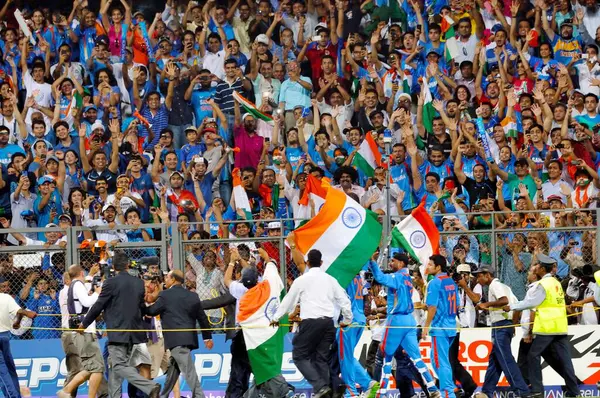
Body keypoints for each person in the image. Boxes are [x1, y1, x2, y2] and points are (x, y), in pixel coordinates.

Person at [270, 247, 352, 398]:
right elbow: (344, 300)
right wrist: (347, 320)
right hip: (328, 324)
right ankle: (327, 391)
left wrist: (276, 318)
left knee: (299, 356)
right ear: (321, 262)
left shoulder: (301, 280)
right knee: (320, 358)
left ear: (307, 263)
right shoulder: (330, 280)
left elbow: (288, 301)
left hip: (310, 323)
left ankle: (321, 387)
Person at [80, 251, 161, 398]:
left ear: (113, 266)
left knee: (117, 367)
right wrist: (151, 310)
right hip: (136, 333)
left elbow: (98, 305)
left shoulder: (110, 283)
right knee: (120, 370)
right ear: (128, 265)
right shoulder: (138, 282)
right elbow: (141, 307)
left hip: (118, 333)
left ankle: (149, 386)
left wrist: (84, 324)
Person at [504, 254, 579, 398]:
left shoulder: (542, 285)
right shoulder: (556, 282)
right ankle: (574, 391)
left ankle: (538, 391)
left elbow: (531, 303)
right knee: (565, 360)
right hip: (560, 326)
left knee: (533, 355)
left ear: (543, 269)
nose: (535, 267)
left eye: (538, 266)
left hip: (547, 326)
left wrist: (512, 306)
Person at [369, 253, 441, 398]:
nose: (390, 263)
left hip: (397, 320)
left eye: (393, 261)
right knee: (416, 357)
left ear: (401, 263)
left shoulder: (398, 277)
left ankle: (381, 393)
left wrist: (372, 262)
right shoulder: (408, 278)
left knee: (385, 356)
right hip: (409, 321)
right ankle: (432, 388)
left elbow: (380, 277)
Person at [145, 269, 213, 398]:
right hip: (188, 339)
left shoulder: (165, 295)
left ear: (173, 280)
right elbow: (202, 318)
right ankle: (164, 395)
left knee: (189, 372)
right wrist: (207, 337)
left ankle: (199, 396)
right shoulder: (193, 296)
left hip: (175, 342)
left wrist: (141, 306)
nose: (165, 280)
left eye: (167, 278)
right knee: (173, 370)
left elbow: (152, 311)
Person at [473, 265, 530, 398]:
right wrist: (513, 325)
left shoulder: (494, 285)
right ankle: (486, 392)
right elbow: (516, 306)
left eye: (480, 275)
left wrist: (486, 305)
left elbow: (504, 300)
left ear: (488, 275)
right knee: (495, 360)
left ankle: (521, 392)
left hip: (500, 326)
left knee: (505, 359)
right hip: (505, 325)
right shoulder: (505, 287)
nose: (477, 279)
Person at [57, 264, 107, 398]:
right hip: (84, 331)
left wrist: (91, 288)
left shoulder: (74, 286)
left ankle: (67, 390)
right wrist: (97, 293)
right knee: (96, 368)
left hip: (81, 331)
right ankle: (67, 390)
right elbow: (86, 302)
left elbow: (83, 299)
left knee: (92, 368)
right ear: (81, 273)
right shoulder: (78, 285)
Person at [423, 254, 457, 398]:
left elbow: (432, 307)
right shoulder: (451, 282)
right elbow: (458, 304)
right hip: (451, 326)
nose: (427, 267)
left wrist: (426, 326)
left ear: (438, 267)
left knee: (440, 362)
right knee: (436, 359)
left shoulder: (435, 282)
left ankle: (448, 393)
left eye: (430, 264)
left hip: (439, 327)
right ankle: (450, 388)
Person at [0, 292, 36, 398]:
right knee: (10, 368)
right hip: (5, 336)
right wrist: (19, 321)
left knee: (2, 372)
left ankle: (13, 396)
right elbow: (19, 311)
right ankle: (15, 395)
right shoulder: (6, 297)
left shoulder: (6, 297)